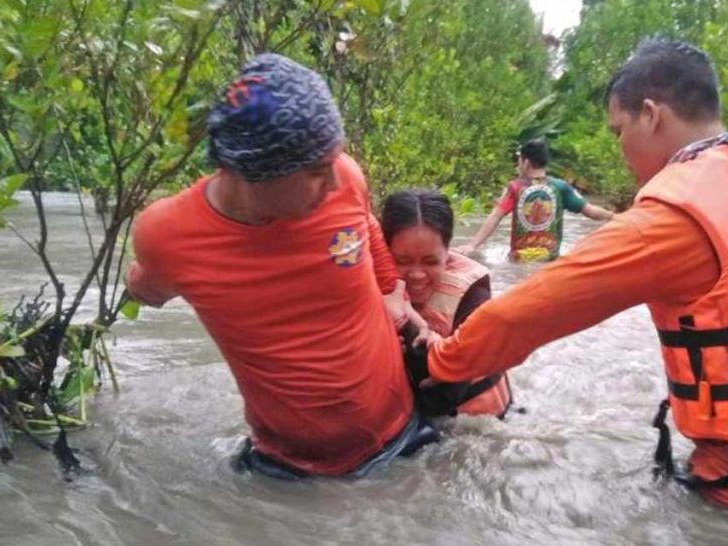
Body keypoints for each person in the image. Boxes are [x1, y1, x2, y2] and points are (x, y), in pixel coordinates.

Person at [419, 38, 728, 518]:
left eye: (619, 130)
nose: (620, 148)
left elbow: (519, 319)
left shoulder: (670, 220)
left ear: (652, 114)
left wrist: (437, 362)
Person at [125, 54, 438, 480]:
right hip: (286, 470)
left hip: (405, 437)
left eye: (334, 160)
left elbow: (365, 226)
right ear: (254, 172)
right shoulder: (166, 235)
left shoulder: (345, 179)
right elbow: (148, 288)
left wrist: (391, 290)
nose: (332, 181)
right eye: (315, 171)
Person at [381, 189, 513, 418]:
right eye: (402, 261)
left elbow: (445, 393)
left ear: (448, 253)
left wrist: (405, 325)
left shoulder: (473, 292)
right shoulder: (370, 277)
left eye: (431, 261)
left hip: (472, 417)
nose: (417, 275)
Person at [454, 139, 614, 262]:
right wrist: (616, 217)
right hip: (549, 260)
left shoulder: (515, 187)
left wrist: (472, 245)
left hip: (518, 261)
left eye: (519, 160)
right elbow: (592, 211)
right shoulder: (561, 187)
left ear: (526, 162)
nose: (518, 165)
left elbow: (495, 216)